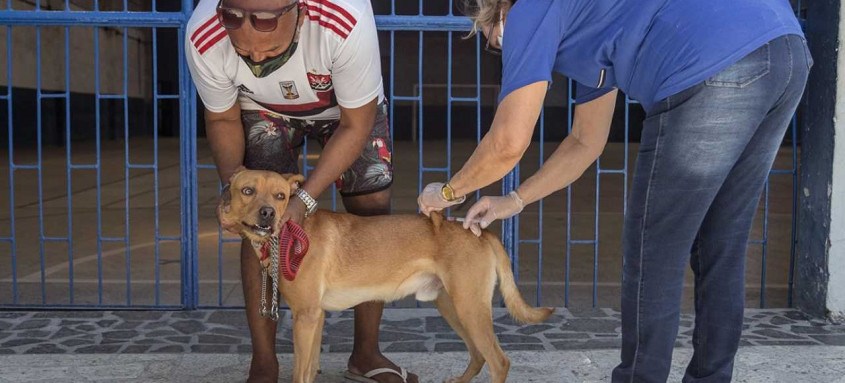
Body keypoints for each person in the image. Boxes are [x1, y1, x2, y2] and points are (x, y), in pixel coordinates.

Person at [418, 0, 811, 382]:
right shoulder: (588, 25)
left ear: (496, 12)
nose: (499, 47)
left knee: (653, 250)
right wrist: (515, 199)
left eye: (489, 38)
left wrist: (449, 191)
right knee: (721, 244)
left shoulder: (528, 11)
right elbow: (586, 141)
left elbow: (507, 142)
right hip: (783, 47)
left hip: (710, 61)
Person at [186, 0, 418, 382]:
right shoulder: (204, 34)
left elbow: (356, 126)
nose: (257, 57)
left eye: (272, 48)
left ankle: (366, 353)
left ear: (302, 13)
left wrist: (305, 198)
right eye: (243, 51)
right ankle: (264, 362)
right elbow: (223, 116)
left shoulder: (344, 19)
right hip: (264, 111)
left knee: (371, 208)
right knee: (260, 220)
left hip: (347, 112)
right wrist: (235, 189)